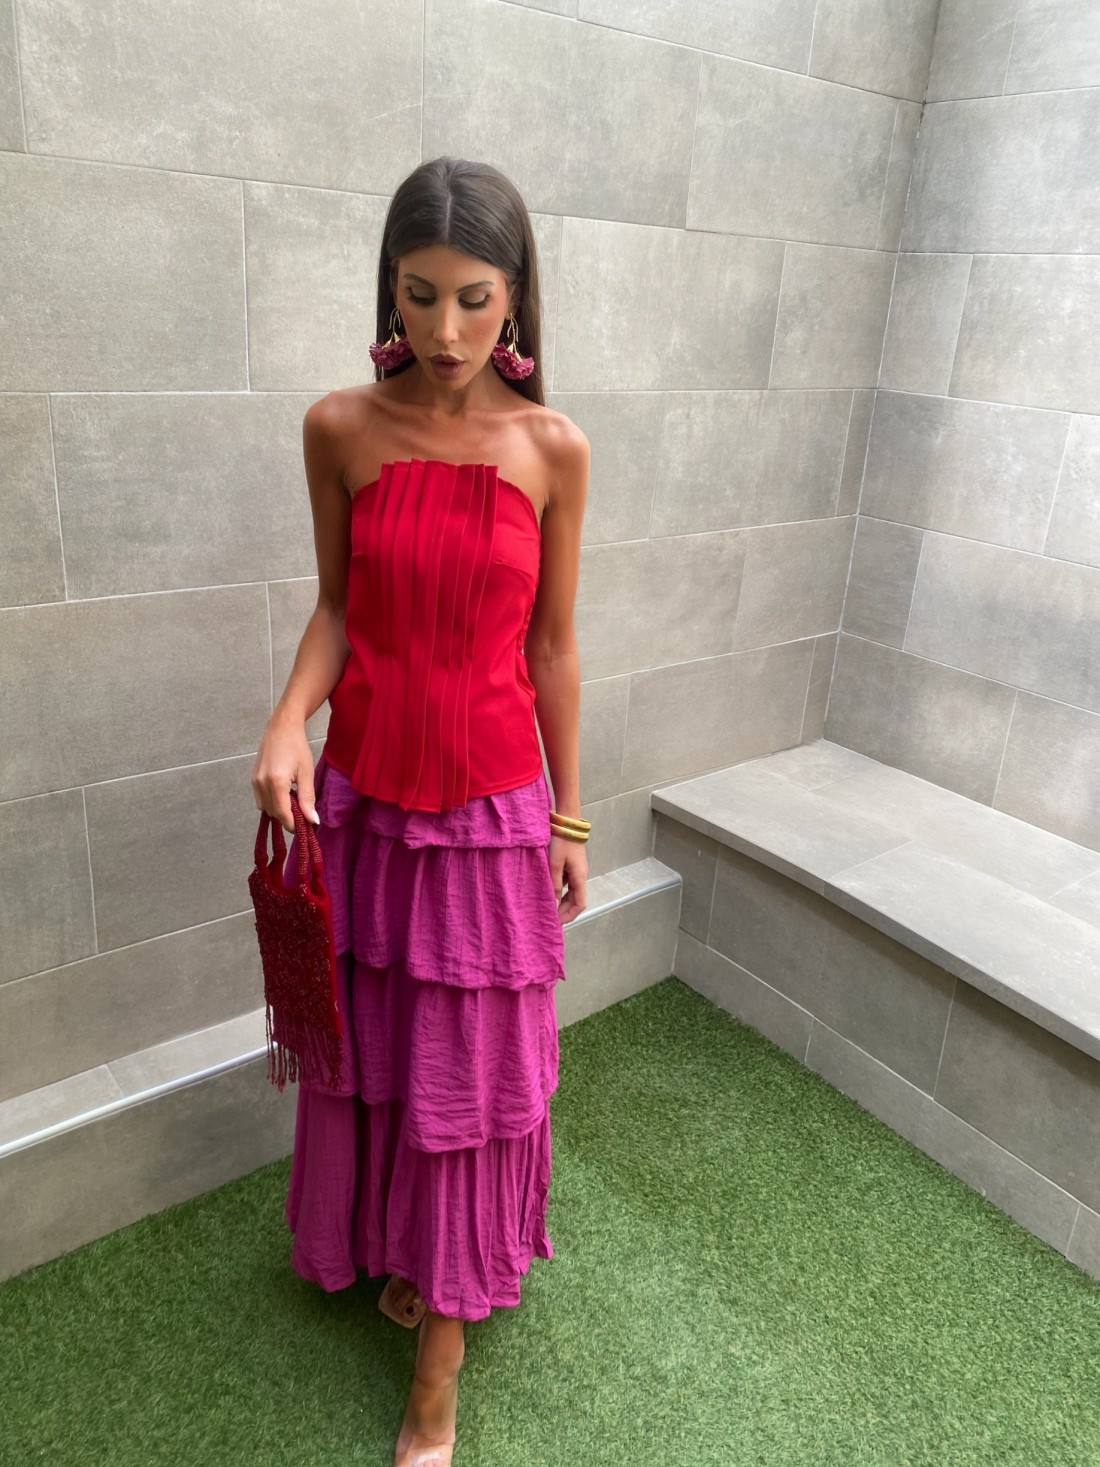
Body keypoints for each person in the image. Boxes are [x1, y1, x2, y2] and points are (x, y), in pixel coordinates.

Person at [250, 155, 590, 1467]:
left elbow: (552, 649)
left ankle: (438, 1375)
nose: (448, 332)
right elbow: (338, 610)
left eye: (475, 300)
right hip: (366, 811)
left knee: (470, 1083)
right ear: (390, 289)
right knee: (383, 1056)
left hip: (495, 818)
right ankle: (401, 1251)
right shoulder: (339, 429)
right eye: (421, 294)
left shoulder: (553, 450)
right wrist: (289, 718)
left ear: (517, 300)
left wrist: (570, 821)